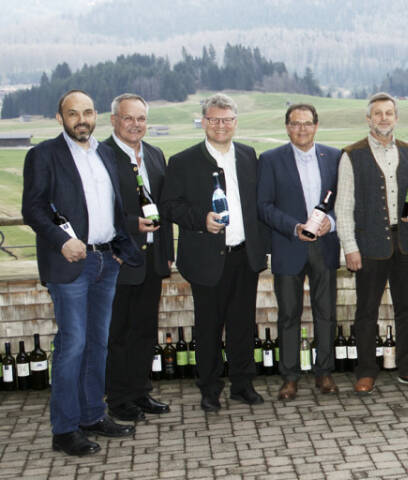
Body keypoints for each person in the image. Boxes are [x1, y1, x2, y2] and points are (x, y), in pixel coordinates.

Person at [23, 89, 143, 456]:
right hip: (71, 262)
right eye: (73, 113)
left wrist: (120, 249)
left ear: (95, 116)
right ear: (60, 119)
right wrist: (62, 241)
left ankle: (93, 415)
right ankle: (65, 429)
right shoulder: (43, 155)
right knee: (72, 346)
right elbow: (34, 209)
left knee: (97, 344)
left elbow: (115, 207)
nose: (81, 119)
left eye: (87, 112)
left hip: (106, 262)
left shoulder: (106, 153)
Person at [159, 93, 271, 411]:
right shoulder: (183, 161)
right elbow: (169, 206)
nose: (220, 125)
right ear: (204, 122)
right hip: (206, 259)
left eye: (226, 120)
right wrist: (200, 220)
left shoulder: (249, 156)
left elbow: (258, 207)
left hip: (244, 255)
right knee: (208, 328)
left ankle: (242, 384)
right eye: (213, 119)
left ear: (235, 122)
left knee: (242, 324)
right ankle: (209, 389)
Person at [335, 92, 408, 392]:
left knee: (407, 309)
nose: (383, 118)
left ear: (396, 117)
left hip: (406, 242)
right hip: (369, 245)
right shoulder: (352, 154)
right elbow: (343, 206)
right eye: (377, 114)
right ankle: (366, 370)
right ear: (368, 118)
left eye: (389, 113)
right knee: (367, 310)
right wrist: (349, 247)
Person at [257, 103, 341, 401]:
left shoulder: (334, 156)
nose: (301, 129)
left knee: (326, 313)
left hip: (324, 246)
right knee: (289, 315)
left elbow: (343, 201)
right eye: (295, 123)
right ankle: (290, 377)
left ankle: (324, 373)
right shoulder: (270, 159)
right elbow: (264, 206)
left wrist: (329, 223)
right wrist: (295, 227)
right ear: (287, 126)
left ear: (316, 125)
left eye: (307, 123)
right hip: (288, 246)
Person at [101, 93, 174, 421]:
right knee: (118, 333)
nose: (135, 125)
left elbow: (166, 209)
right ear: (114, 120)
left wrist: (168, 253)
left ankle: (141, 391)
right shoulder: (102, 155)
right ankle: (118, 399)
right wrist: (131, 224)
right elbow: (97, 210)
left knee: (145, 330)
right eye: (128, 118)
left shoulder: (156, 155)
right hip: (120, 259)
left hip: (153, 260)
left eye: (141, 119)